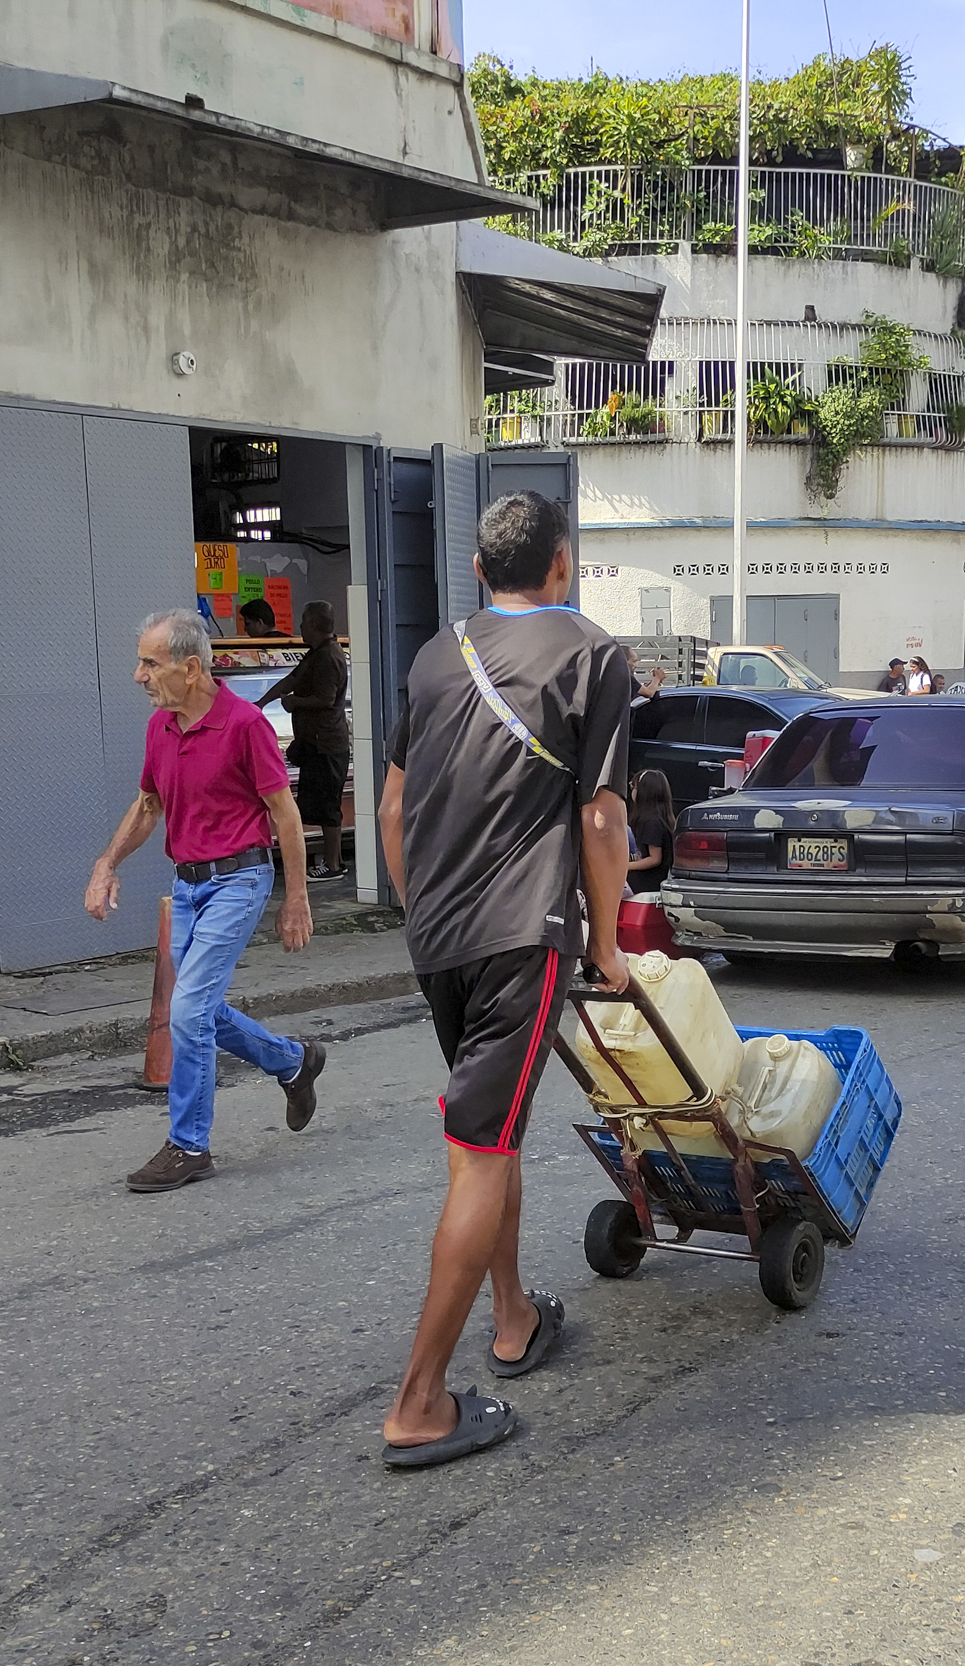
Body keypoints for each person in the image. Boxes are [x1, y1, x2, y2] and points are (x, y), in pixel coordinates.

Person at [377, 490, 631, 1469]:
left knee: (484, 1130)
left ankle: (514, 1313)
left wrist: (420, 910)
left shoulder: (436, 654)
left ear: (480, 572)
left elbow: (395, 804)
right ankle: (418, 1401)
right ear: (562, 564)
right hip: (522, 936)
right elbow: (601, 820)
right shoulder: (590, 655)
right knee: (481, 1153)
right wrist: (605, 944)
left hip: (437, 936)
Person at [85, 609, 322, 1194]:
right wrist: (105, 863)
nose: (138, 675)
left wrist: (297, 899)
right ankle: (293, 1061)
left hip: (239, 880)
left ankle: (189, 1144)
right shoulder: (160, 727)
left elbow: (284, 816)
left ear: (190, 668)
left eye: (149, 663)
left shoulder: (245, 726)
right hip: (188, 885)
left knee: (188, 1010)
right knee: (202, 1011)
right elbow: (147, 808)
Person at [254, 600, 351, 881]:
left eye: (303, 623)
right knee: (321, 805)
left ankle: (333, 865)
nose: (299, 629)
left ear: (313, 625)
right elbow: (290, 679)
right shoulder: (315, 654)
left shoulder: (328, 657)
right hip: (314, 743)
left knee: (328, 807)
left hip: (327, 744)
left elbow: (326, 699)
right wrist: (261, 703)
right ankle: (332, 860)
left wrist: (294, 703)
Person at [627, 769, 675, 896]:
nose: (632, 790)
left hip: (647, 882)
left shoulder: (651, 822)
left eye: (633, 786)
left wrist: (626, 866)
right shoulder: (662, 818)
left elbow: (654, 859)